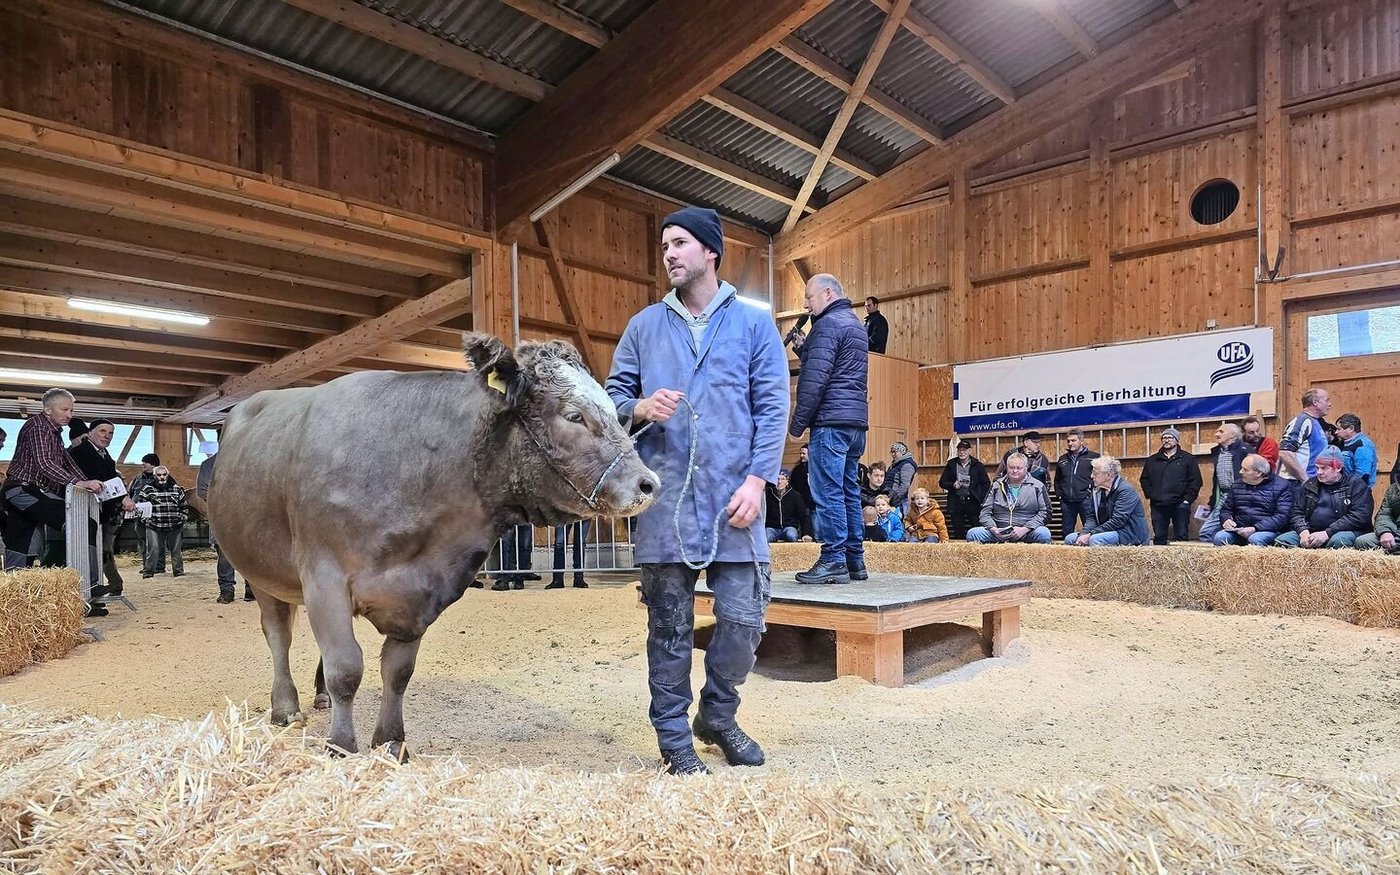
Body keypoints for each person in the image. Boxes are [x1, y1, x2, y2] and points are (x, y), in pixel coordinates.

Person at [606, 206, 789, 776]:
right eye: (665, 245)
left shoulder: (754, 324)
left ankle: (718, 716)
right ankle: (674, 740)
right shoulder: (643, 327)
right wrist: (637, 406)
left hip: (736, 499)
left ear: (710, 251)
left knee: (742, 619)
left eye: (679, 243)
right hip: (665, 502)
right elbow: (609, 400)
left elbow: (772, 406)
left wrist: (758, 481)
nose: (669, 254)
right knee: (669, 628)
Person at [787, 273, 870, 586]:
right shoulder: (853, 324)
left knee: (828, 492)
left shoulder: (827, 324)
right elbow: (834, 366)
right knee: (848, 490)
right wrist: (804, 348)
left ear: (827, 293)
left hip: (830, 423)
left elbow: (814, 381)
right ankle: (854, 559)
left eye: (809, 297)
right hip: (854, 424)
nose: (806, 304)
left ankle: (833, 558)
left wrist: (797, 425)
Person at [1, 389, 107, 616]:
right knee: (80, 523)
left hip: (32, 490)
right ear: (48, 410)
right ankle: (86, 586)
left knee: (24, 544)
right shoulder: (37, 427)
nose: (70, 414)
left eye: (72, 410)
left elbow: (66, 462)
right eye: (65, 409)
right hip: (22, 489)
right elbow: (45, 463)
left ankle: (23, 605)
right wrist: (79, 482)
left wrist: (85, 480)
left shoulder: (54, 432)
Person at [67, 417, 136, 596]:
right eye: (102, 431)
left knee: (99, 549)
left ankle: (94, 590)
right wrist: (122, 498)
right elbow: (99, 478)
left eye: (111, 433)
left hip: (100, 511)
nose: (107, 436)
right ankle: (88, 590)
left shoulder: (104, 454)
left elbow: (112, 478)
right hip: (82, 510)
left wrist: (124, 498)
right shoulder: (81, 451)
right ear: (90, 433)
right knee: (90, 550)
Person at [1274, 447, 1372, 549]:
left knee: (1339, 541)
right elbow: (1296, 512)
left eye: (1324, 468)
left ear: (1338, 468)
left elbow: (1359, 516)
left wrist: (1327, 533)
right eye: (1317, 468)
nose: (1319, 472)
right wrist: (1303, 531)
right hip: (1311, 531)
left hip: (1342, 531)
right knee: (1282, 540)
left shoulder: (1356, 485)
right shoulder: (1309, 484)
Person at [195, 451, 255, 603]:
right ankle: (227, 591)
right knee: (224, 556)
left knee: (249, 555)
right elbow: (202, 490)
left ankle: (252, 590)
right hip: (222, 517)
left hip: (246, 518)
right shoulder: (209, 465)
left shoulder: (247, 461)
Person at [966, 453, 1053, 544]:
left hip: (1027, 532)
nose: (1015, 471)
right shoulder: (996, 485)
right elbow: (985, 512)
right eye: (1011, 468)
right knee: (973, 534)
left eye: (1018, 468)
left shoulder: (1037, 486)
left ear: (1026, 468)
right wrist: (993, 529)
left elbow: (1046, 512)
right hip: (999, 531)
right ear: (1006, 468)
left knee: (1044, 533)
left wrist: (1025, 529)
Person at [1065, 455, 1149, 546]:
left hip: (1129, 533)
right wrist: (1084, 533)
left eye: (1095, 473)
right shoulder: (1097, 490)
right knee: (1070, 539)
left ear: (1109, 475)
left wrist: (1091, 534)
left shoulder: (1125, 490)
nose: (1091, 476)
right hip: (1105, 531)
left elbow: (1118, 520)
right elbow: (1092, 516)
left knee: (1095, 540)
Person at [1212, 454, 1294, 546]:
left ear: (1259, 473)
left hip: (1267, 530)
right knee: (1220, 537)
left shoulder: (1282, 486)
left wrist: (1255, 528)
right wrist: (1226, 519)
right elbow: (1226, 510)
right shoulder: (1236, 485)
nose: (1240, 472)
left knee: (1255, 539)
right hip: (1239, 529)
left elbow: (1282, 517)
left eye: (1245, 470)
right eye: (1241, 468)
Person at [1140, 427, 1202, 544]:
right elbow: (1144, 479)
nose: (1166, 440)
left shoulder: (1188, 459)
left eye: (1170, 437)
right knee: (1159, 536)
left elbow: (1196, 480)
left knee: (1181, 535)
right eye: (1164, 438)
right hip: (1158, 504)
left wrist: (1187, 500)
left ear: (1177, 440)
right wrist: (1151, 495)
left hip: (1180, 504)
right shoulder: (1152, 460)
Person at [136, 466, 187, 577]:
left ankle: (178, 572)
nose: (162, 477)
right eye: (159, 475)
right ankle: (148, 572)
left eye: (164, 474)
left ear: (167, 475)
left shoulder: (176, 489)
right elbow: (141, 507)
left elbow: (184, 505)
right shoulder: (147, 489)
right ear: (155, 476)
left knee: (176, 550)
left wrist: (182, 518)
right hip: (154, 525)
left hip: (174, 525)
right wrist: (147, 521)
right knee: (153, 550)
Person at [1198, 423, 1246, 541]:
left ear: (1232, 435)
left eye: (1221, 431)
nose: (1216, 434)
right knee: (1206, 532)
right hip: (1224, 497)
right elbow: (1217, 481)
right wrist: (1212, 501)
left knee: (1240, 532)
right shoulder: (1218, 452)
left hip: (1242, 497)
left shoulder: (1244, 450)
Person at [1278, 388, 1333, 491]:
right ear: (1315, 402)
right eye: (1327, 400)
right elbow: (1285, 453)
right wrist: (1305, 481)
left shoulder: (1315, 422)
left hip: (1310, 483)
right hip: (1295, 485)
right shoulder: (1302, 421)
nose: (1329, 404)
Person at [938, 440, 990, 540]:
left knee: (977, 528)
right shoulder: (951, 464)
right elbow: (942, 482)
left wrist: (980, 497)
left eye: (964, 450)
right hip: (956, 501)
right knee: (958, 530)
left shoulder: (978, 465)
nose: (962, 452)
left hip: (973, 502)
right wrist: (953, 485)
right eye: (959, 450)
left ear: (969, 451)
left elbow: (986, 484)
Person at [1053, 430, 1099, 539]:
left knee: (1090, 530)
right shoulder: (1062, 459)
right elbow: (1057, 480)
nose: (1070, 443)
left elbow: (1099, 477)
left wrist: (1091, 493)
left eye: (1073, 440)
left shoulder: (1094, 457)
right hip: (1067, 502)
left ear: (1081, 441)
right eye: (1068, 441)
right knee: (1066, 531)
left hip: (1086, 500)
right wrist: (1060, 495)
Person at [129, 453, 162, 572]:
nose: (143, 465)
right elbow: (131, 492)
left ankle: (158, 566)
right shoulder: (138, 478)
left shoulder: (162, 477)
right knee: (142, 539)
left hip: (155, 514)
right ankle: (147, 566)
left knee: (156, 540)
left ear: (153, 464)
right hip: (139, 514)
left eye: (145, 463)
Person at [763, 469, 811, 543]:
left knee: (791, 536)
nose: (779, 482)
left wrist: (806, 534)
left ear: (787, 481)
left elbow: (803, 515)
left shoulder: (795, 495)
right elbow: (762, 514)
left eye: (782, 479)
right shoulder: (767, 495)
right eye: (777, 479)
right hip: (771, 528)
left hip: (789, 527)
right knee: (765, 538)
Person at [1356, 478, 1400, 553]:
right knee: (1363, 541)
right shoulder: (1394, 488)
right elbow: (1384, 514)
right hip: (1395, 531)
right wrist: (1385, 532)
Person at [1334, 413, 1378, 487]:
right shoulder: (1344, 443)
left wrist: (1353, 490)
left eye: (1339, 429)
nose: (1336, 432)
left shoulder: (1363, 446)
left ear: (1351, 428)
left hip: (1357, 492)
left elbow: (1363, 474)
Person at [548, 521, 591, 589]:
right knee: (560, 543)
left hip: (584, 513)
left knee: (579, 544)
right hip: (564, 513)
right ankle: (558, 579)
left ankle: (578, 578)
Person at [886, 442, 917, 512]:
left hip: (898, 501)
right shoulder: (896, 464)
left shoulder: (907, 465)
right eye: (891, 452)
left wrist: (894, 498)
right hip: (891, 497)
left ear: (902, 452)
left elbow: (905, 485)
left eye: (895, 452)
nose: (892, 454)